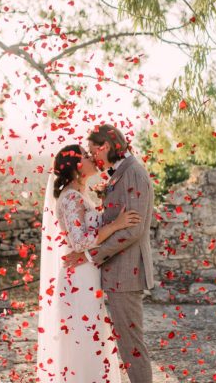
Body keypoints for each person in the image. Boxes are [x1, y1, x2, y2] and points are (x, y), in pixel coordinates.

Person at [36, 144, 141, 383]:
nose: (91, 157)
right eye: (85, 155)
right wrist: (116, 225)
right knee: (82, 338)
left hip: (86, 274)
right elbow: (80, 241)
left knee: (89, 336)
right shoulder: (71, 197)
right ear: (75, 166)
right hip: (78, 277)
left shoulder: (79, 193)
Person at [64, 124, 155, 383]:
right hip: (119, 273)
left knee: (132, 346)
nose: (93, 158)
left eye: (93, 152)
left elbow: (133, 230)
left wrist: (92, 256)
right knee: (128, 344)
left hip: (127, 273)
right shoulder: (121, 174)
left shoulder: (133, 174)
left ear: (104, 147)